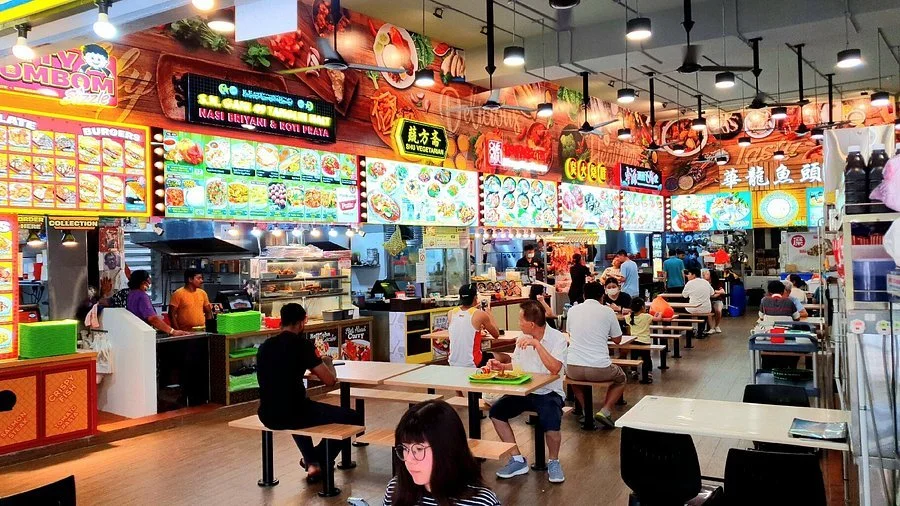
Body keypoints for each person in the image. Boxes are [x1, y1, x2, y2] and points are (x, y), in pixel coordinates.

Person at [256, 303, 362, 483]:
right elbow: (329, 381)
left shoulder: (265, 346)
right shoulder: (302, 345)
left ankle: (312, 462)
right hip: (294, 412)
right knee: (354, 417)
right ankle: (319, 459)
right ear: (300, 323)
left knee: (298, 413)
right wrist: (328, 362)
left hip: (267, 413)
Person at [488, 301, 568, 484]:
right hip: (524, 390)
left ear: (531, 324)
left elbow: (555, 368)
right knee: (496, 413)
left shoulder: (557, 339)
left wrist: (537, 345)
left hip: (549, 392)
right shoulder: (521, 338)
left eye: (520, 319)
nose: (518, 323)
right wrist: (502, 366)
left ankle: (554, 462)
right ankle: (517, 459)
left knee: (551, 421)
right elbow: (517, 366)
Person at [382, 400, 500, 506]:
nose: (409, 459)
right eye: (405, 449)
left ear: (446, 449)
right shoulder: (395, 490)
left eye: (419, 449)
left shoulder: (481, 502)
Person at [565, 282, 626, 428]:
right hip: (600, 368)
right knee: (621, 378)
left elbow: (569, 333)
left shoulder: (573, 310)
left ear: (584, 295)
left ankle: (587, 410)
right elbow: (618, 340)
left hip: (573, 367)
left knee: (573, 380)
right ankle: (605, 411)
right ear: (602, 296)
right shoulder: (608, 312)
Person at [447, 284, 499, 368]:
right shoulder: (480, 314)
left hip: (452, 362)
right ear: (475, 298)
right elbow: (496, 334)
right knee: (506, 358)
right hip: (473, 362)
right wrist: (489, 314)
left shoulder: (451, 313)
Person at [124, 270, 188, 336]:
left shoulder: (131, 295)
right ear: (144, 282)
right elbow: (152, 318)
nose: (150, 282)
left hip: (134, 332)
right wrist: (172, 331)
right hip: (143, 334)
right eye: (148, 279)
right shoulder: (142, 296)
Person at [626, 297, 656, 384]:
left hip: (633, 341)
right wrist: (659, 314)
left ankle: (633, 371)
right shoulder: (647, 317)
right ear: (643, 307)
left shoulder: (629, 317)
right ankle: (647, 375)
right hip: (645, 342)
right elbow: (657, 319)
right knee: (646, 359)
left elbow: (624, 318)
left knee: (634, 356)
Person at [682, 268, 715, 334]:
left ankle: (689, 331)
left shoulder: (689, 283)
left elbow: (684, 295)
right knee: (703, 312)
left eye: (689, 274)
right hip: (706, 309)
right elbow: (712, 293)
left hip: (692, 309)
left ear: (694, 275)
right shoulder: (706, 282)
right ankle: (701, 331)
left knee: (683, 311)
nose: (687, 276)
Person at [703, 269, 726, 333]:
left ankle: (717, 325)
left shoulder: (717, 282)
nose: (705, 275)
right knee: (708, 311)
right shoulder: (703, 283)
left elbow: (723, 291)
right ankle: (711, 328)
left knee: (718, 310)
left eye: (707, 274)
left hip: (717, 300)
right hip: (707, 300)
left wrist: (714, 292)